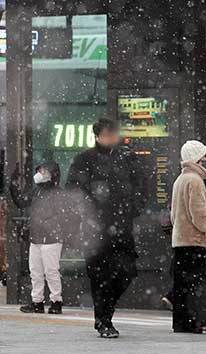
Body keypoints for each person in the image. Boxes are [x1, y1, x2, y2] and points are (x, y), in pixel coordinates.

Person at [67, 117, 148, 338]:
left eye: (113, 134)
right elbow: (74, 191)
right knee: (100, 276)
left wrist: (134, 208)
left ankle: (106, 310)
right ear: (97, 136)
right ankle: (103, 320)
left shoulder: (127, 158)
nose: (110, 138)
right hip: (95, 230)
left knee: (126, 273)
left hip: (122, 227)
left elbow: (142, 185)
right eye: (106, 135)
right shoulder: (84, 160)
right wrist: (90, 212)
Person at [170, 140, 206, 334]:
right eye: (203, 157)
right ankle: (200, 320)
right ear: (197, 159)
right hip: (195, 239)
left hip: (180, 239)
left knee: (183, 284)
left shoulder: (180, 179)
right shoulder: (195, 180)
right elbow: (199, 211)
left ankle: (182, 322)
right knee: (197, 283)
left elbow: (173, 213)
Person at [11, 161, 67, 315]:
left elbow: (63, 216)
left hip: (52, 239)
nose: (40, 174)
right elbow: (21, 201)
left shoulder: (58, 193)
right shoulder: (37, 192)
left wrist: (49, 224)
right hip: (36, 238)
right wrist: (14, 184)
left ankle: (56, 301)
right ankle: (37, 302)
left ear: (52, 174)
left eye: (43, 171)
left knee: (51, 271)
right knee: (35, 271)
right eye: (39, 171)